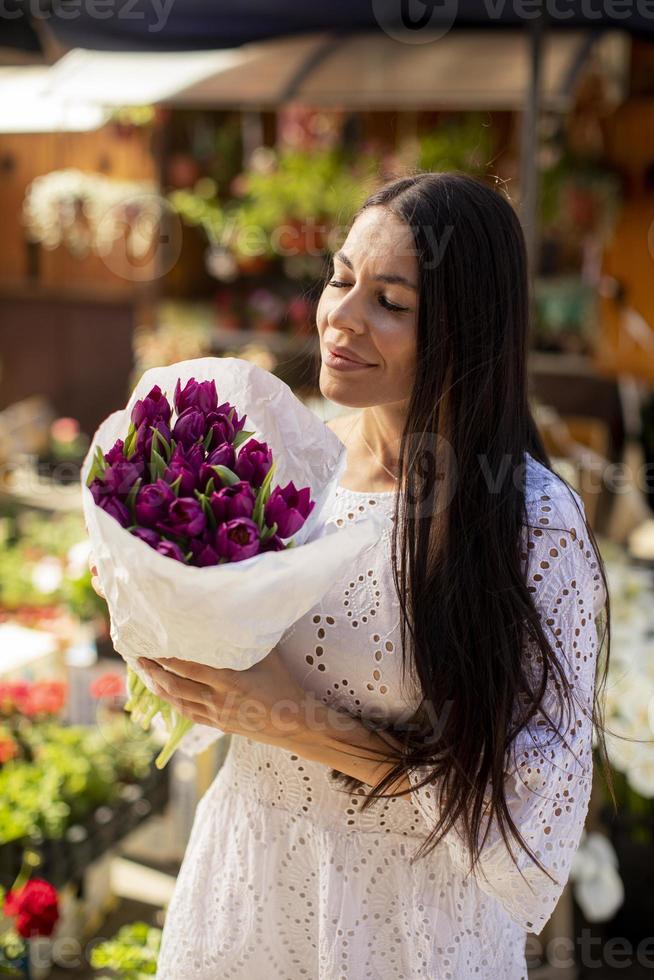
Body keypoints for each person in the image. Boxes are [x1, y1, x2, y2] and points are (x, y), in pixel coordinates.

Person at [93, 172, 611, 978]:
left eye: (391, 303)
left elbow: (523, 813)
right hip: (248, 885)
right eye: (340, 278)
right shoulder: (281, 464)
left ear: (466, 327)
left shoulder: (532, 523)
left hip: (408, 927)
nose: (340, 317)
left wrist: (292, 721)